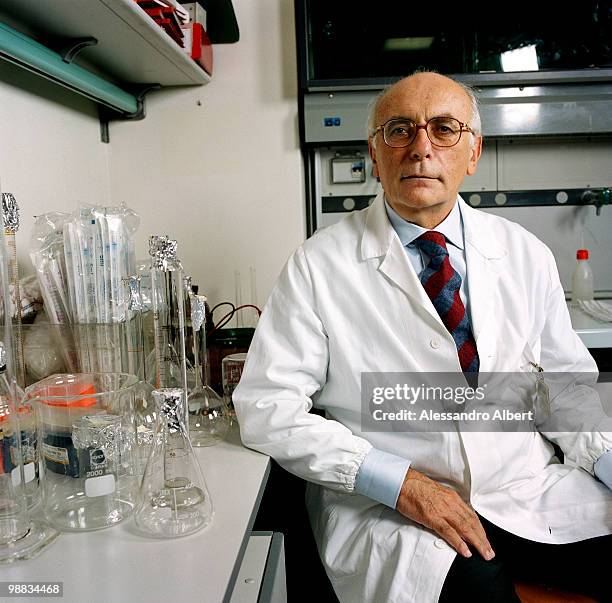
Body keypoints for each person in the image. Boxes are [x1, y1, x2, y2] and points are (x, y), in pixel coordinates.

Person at [233, 71, 612, 602]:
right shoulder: (319, 264)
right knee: (478, 592)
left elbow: (564, 390)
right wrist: (400, 483)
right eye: (399, 130)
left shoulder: (524, 253)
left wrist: (605, 460)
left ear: (473, 152)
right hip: (396, 506)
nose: (421, 148)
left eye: (444, 129)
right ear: (374, 154)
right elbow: (267, 408)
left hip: (525, 485)